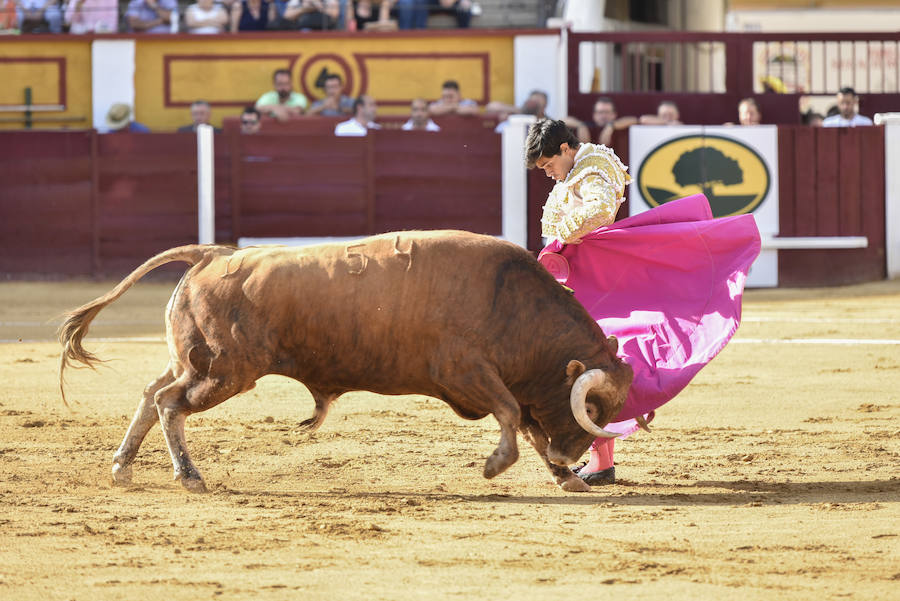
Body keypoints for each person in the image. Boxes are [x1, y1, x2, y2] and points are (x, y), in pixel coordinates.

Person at [526, 119, 760, 485]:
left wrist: (562, 236)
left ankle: (601, 459)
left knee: (590, 364)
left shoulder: (592, 168)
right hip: (589, 280)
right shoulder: (579, 168)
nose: (548, 172)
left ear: (565, 149)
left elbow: (600, 210)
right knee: (588, 365)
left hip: (599, 280)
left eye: (548, 164)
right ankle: (601, 460)